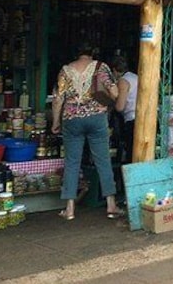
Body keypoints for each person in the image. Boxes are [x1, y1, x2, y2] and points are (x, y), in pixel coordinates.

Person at [51, 43, 123, 220]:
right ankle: (111, 205)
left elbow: (58, 99)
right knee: (103, 160)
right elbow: (114, 92)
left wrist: (55, 122)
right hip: (96, 118)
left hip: (71, 119)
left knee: (72, 162)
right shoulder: (101, 67)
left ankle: (69, 209)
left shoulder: (65, 70)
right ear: (93, 53)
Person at [111, 56, 138, 164]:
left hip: (132, 119)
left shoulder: (123, 81)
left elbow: (120, 107)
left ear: (114, 70)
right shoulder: (136, 77)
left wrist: (113, 97)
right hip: (143, 117)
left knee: (131, 153)